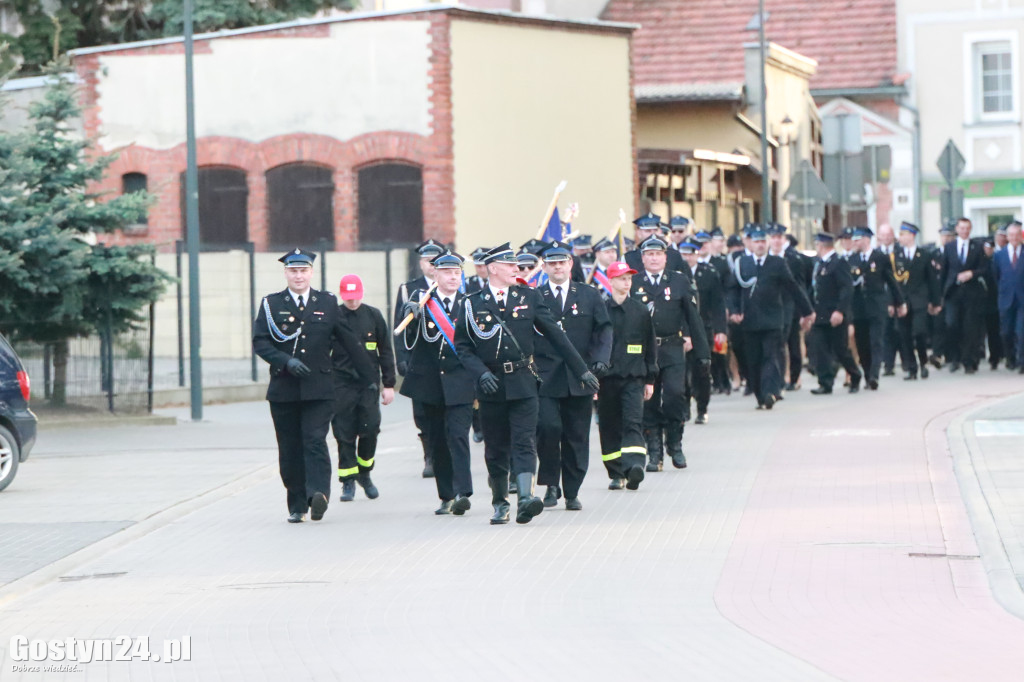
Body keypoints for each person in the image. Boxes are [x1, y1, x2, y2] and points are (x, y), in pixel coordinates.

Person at [455, 243, 599, 525]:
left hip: (523, 382)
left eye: (517, 265)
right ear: (493, 269)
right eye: (510, 265)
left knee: (524, 443)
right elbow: (462, 346)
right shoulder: (472, 302)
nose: (517, 269)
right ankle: (499, 503)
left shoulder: (529, 296)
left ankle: (524, 499)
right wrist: (480, 373)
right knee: (496, 447)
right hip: (491, 384)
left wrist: (582, 370)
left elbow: (557, 336)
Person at [253, 249, 376, 524]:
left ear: (311, 273)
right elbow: (260, 341)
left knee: (314, 441)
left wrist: (371, 379)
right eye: (293, 271)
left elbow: (349, 342)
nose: (299, 276)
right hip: (284, 389)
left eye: (303, 270)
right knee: (290, 447)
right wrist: (285, 361)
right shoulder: (271, 304)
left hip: (319, 388)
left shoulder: (327, 302)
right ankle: (297, 504)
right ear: (286, 273)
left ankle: (318, 494)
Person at [398, 251, 479, 515]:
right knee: (438, 441)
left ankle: (462, 492)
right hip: (430, 385)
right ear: (435, 274)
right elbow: (409, 342)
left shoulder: (470, 303)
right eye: (447, 272)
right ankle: (446, 495)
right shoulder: (422, 302)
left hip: (460, 383)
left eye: (457, 272)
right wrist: (412, 317)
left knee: (458, 436)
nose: (453, 277)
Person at [535, 241, 612, 510]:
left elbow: (603, 330)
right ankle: (550, 483)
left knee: (576, 435)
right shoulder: (534, 296)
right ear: (543, 267)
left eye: (562, 262)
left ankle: (572, 490)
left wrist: (601, 361)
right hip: (545, 377)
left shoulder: (589, 295)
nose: (557, 267)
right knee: (547, 428)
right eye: (552, 263)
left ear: (570, 264)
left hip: (580, 376)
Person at [631, 235, 708, 471]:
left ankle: (675, 443)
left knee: (676, 395)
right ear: (643, 258)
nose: (654, 258)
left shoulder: (678, 281)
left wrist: (703, 352)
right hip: (645, 351)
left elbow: (693, 317)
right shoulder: (634, 282)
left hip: (672, 347)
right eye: (649, 254)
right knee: (649, 400)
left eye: (658, 254)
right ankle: (654, 452)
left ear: (666, 257)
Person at [728, 226, 813, 409]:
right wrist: (734, 310)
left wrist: (807, 311)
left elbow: (793, 287)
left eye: (763, 241)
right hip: (749, 321)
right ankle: (760, 394)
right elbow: (733, 289)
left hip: (773, 319)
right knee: (754, 359)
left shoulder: (777, 263)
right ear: (750, 244)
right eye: (757, 242)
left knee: (771, 357)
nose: (760, 245)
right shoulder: (742, 263)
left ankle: (770, 392)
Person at [332, 274, 396, 502]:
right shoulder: (335, 316)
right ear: (342, 295)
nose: (352, 302)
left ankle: (364, 473)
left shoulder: (373, 316)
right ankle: (347, 481)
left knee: (370, 429)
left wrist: (388, 384)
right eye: (348, 298)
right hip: (341, 384)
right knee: (344, 433)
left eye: (356, 297)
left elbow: (385, 351)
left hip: (368, 384)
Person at [599, 261, 657, 492]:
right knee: (610, 425)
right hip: (606, 379)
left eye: (629, 278)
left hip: (634, 378)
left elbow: (650, 345)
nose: (627, 282)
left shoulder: (640, 310)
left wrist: (651, 378)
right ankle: (615, 473)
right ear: (611, 281)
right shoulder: (601, 310)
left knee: (633, 421)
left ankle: (634, 467)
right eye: (622, 278)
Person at [395, 239, 447, 478]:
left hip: (447, 360)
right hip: (420, 361)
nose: (432, 265)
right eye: (427, 260)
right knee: (423, 412)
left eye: (436, 261)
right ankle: (429, 456)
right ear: (421, 263)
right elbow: (399, 326)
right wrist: (402, 358)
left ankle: (445, 455)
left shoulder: (451, 286)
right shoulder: (409, 289)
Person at [849, 227, 905, 390]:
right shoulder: (852, 259)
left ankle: (874, 375)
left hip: (876, 305)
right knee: (862, 344)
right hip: (859, 307)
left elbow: (891, 281)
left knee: (876, 341)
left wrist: (899, 302)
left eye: (857, 239)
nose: (855, 242)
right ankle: (867, 375)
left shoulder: (880, 257)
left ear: (867, 239)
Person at [807, 234, 862, 395]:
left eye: (817, 245)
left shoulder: (838, 263)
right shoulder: (819, 264)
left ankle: (855, 374)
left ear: (821, 245)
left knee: (840, 350)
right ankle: (825, 382)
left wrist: (840, 311)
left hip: (835, 315)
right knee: (820, 349)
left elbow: (847, 288)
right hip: (820, 314)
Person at [680, 241, 726, 424]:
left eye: (691, 254)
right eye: (684, 254)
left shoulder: (708, 273)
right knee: (681, 372)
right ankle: (684, 408)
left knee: (702, 370)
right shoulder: (675, 276)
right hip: (682, 330)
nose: (687, 258)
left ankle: (702, 408)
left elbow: (718, 304)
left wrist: (721, 329)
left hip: (703, 328)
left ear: (697, 254)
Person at [893, 222, 941, 380]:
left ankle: (923, 362)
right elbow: (893, 281)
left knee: (919, 332)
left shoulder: (924, 255)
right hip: (902, 301)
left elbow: (932, 280)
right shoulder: (896, 255)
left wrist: (935, 302)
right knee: (904, 335)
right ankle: (911, 367)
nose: (901, 238)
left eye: (903, 234)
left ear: (912, 235)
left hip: (920, 300)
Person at [941, 217, 987, 373]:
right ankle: (954, 358)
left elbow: (984, 269)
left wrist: (971, 273)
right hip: (953, 292)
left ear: (970, 229)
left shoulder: (977, 247)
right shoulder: (950, 247)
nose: (964, 231)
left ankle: (969, 361)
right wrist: (940, 295)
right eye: (962, 228)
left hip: (971, 294)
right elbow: (944, 271)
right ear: (957, 230)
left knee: (970, 328)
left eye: (967, 228)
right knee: (951, 324)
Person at [991, 221, 1024, 372]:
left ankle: (1021, 361)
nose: (1014, 237)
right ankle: (1010, 358)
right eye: (1011, 235)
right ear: (1007, 237)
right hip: (1005, 299)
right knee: (1006, 332)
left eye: (1017, 234)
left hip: (1022, 300)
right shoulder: (999, 255)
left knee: (1021, 332)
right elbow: (996, 277)